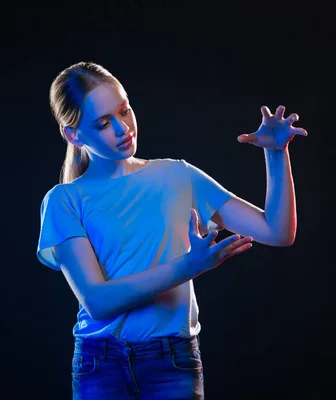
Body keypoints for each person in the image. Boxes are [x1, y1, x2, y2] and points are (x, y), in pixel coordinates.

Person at [36, 61, 308, 399]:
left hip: (172, 361)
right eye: (104, 123)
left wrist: (276, 153)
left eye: (125, 110)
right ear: (73, 134)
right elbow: (98, 301)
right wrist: (188, 267)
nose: (123, 128)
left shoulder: (177, 175)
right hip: (99, 364)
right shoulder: (64, 200)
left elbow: (277, 231)